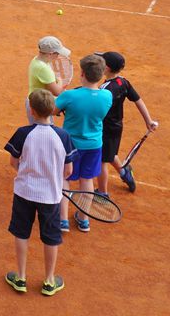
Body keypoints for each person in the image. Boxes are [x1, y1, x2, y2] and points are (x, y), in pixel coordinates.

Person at [4, 89, 74, 298]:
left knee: (21, 232)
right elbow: (68, 172)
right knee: (51, 237)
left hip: (24, 192)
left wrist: (26, 172)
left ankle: (21, 277)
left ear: (32, 111)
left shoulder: (22, 133)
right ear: (53, 110)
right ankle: (49, 281)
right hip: (51, 197)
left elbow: (13, 162)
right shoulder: (63, 136)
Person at [54, 54, 113, 233]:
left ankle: (62, 220)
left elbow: (53, 110)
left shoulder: (70, 96)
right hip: (94, 145)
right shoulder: (107, 96)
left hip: (70, 145)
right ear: (102, 75)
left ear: (82, 74)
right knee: (87, 180)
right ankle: (83, 219)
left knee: (64, 178)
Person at [95, 51, 158, 197]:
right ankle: (124, 172)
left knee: (102, 161)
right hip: (117, 127)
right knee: (110, 154)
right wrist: (148, 120)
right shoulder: (123, 82)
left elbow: (96, 108)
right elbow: (138, 101)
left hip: (104, 129)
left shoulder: (105, 90)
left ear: (107, 68)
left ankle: (102, 193)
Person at [27, 36, 71, 123]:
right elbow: (57, 91)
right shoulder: (43, 68)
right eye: (57, 53)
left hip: (36, 102)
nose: (58, 55)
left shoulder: (36, 60)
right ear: (50, 54)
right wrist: (60, 81)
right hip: (39, 106)